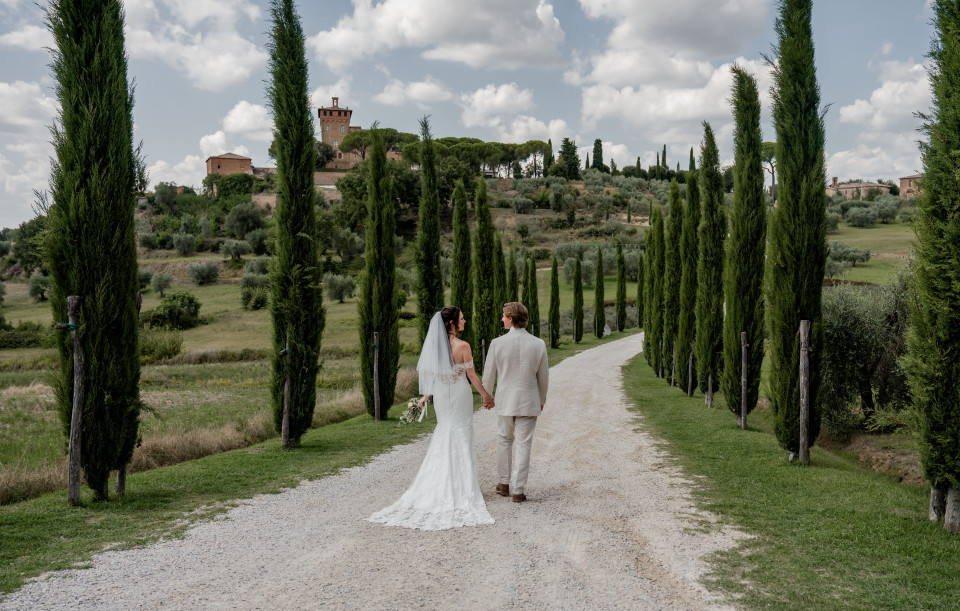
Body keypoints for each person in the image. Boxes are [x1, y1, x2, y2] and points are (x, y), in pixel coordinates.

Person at [368, 307, 496, 530]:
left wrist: (426, 396)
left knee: (445, 431)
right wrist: (485, 395)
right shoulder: (463, 346)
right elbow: (471, 375)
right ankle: (464, 487)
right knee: (462, 433)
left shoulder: (435, 346)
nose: (465, 320)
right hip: (459, 395)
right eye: (462, 318)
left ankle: (440, 482)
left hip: (443, 400)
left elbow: (433, 375)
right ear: (452, 324)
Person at [481, 302, 549, 503]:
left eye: (503, 316)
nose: (501, 319)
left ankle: (503, 484)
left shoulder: (497, 343)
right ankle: (518, 491)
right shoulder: (538, 344)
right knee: (524, 444)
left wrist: (487, 396)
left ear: (511, 319)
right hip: (529, 400)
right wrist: (542, 399)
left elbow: (489, 373)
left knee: (504, 440)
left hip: (504, 400)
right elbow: (543, 377)